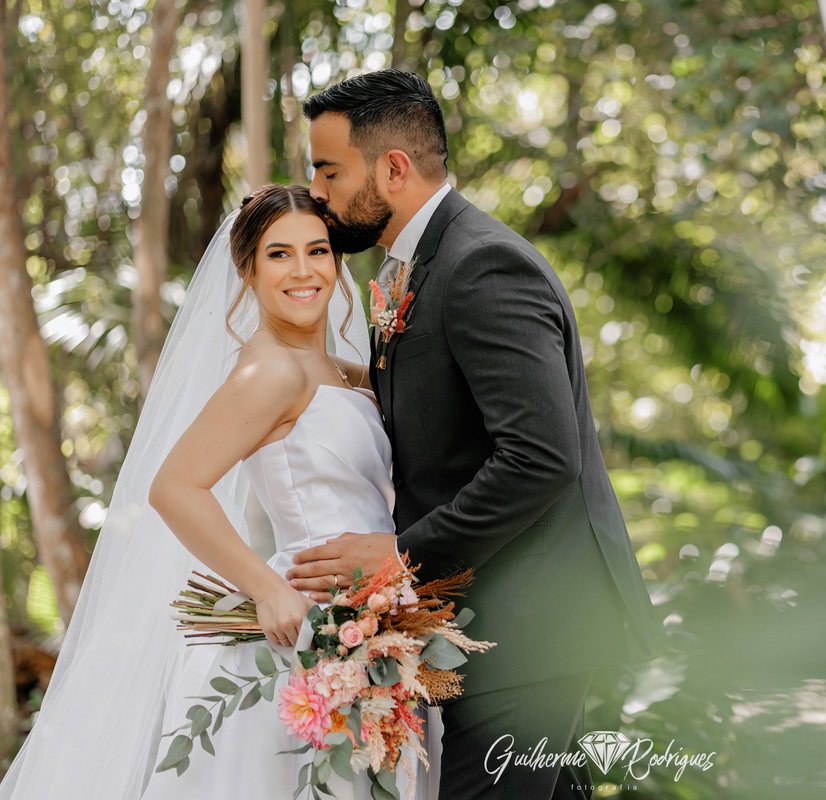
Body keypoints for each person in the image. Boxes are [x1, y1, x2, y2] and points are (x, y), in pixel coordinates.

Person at [284, 70, 658, 799]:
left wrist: (397, 556)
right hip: (492, 627)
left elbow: (540, 457)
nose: (319, 194)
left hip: (530, 629)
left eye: (329, 172)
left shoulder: (481, 265)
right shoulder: (414, 269)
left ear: (393, 169)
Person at [0, 185, 438, 799]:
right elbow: (175, 487)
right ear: (248, 271)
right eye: (279, 255)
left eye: (318, 250)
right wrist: (267, 589)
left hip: (375, 620)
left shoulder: (337, 369)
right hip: (307, 631)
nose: (304, 270)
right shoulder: (271, 371)